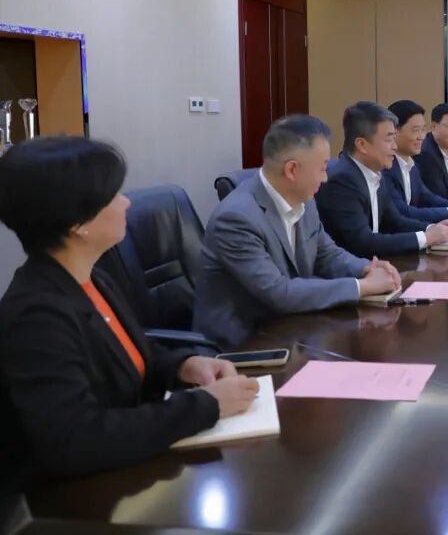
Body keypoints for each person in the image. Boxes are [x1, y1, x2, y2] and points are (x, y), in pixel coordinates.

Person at [0, 137, 258, 481]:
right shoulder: (35, 316)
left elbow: (130, 353)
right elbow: (76, 439)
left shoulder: (92, 278)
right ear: (78, 223)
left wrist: (183, 366)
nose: (126, 203)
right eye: (113, 196)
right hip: (70, 495)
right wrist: (206, 405)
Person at [195, 115, 401, 346]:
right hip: (242, 345)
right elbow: (279, 293)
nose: (325, 178)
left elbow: (327, 254)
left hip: (291, 328)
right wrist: (363, 286)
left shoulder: (304, 200)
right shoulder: (236, 219)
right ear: (292, 170)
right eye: (322, 168)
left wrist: (367, 268)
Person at [316, 101, 448, 259]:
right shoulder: (342, 180)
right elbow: (362, 242)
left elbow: (395, 222)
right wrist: (426, 238)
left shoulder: (375, 172)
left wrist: (432, 228)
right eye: (389, 139)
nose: (395, 147)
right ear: (362, 145)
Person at [384, 100, 448, 224]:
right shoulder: (385, 166)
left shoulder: (410, 163)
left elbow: (426, 197)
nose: (421, 136)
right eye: (415, 130)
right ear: (394, 131)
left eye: (423, 129)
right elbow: (402, 212)